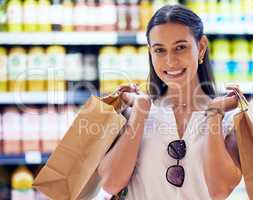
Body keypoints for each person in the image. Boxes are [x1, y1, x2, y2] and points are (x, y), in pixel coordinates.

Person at [97, 4, 243, 200]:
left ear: (201, 47)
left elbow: (220, 190)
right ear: (150, 52)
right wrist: (141, 111)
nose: (170, 61)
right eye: (159, 50)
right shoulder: (133, 114)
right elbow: (111, 183)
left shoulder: (230, 120)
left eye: (180, 47)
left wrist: (214, 112)